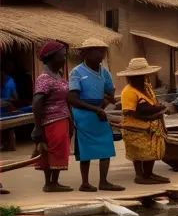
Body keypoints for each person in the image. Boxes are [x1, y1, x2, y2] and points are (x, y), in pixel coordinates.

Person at [68, 38, 125, 192]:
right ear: (86, 52)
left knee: (106, 146)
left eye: (103, 51)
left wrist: (115, 102)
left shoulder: (104, 71)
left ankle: (104, 181)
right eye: (97, 50)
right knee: (85, 150)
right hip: (84, 114)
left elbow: (108, 92)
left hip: (100, 112)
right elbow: (73, 99)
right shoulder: (77, 72)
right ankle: (85, 183)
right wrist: (96, 109)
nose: (101, 54)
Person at [118, 58, 169, 185]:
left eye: (141, 76)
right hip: (136, 126)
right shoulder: (128, 91)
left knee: (150, 152)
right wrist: (149, 117)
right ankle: (140, 176)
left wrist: (159, 115)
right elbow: (129, 112)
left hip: (151, 126)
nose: (139, 79)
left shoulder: (147, 87)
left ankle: (148, 174)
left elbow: (153, 103)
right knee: (138, 152)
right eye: (136, 77)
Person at [31, 42, 73, 192]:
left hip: (63, 118)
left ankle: (54, 182)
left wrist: (71, 121)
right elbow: (37, 102)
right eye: (62, 56)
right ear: (52, 57)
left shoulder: (58, 75)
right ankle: (50, 183)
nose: (64, 59)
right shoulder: (44, 78)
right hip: (52, 120)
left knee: (59, 150)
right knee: (53, 151)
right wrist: (37, 127)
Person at [1, 62, 19, 151]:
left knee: (10, 127)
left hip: (7, 106)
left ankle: (12, 145)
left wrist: (6, 101)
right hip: (2, 107)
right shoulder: (2, 81)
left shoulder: (10, 82)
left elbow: (15, 97)